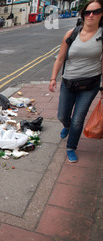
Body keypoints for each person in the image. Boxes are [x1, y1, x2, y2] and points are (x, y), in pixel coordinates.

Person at [49, 0, 103, 163]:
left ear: (101, 14)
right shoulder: (71, 34)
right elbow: (60, 58)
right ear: (83, 14)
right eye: (88, 12)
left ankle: (71, 147)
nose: (91, 15)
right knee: (62, 115)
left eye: (96, 11)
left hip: (90, 84)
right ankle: (67, 126)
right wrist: (53, 79)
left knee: (78, 118)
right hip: (69, 82)